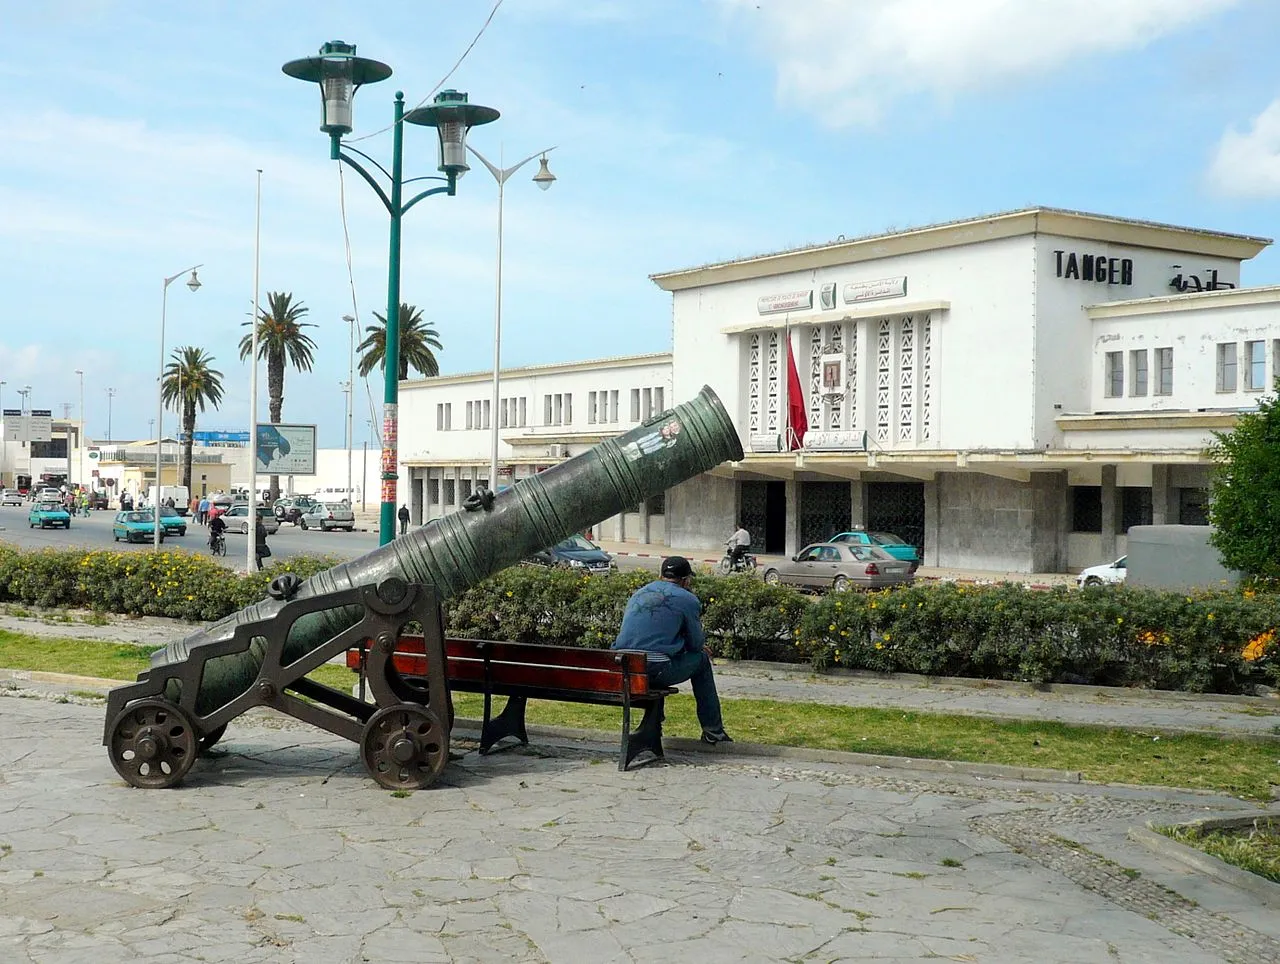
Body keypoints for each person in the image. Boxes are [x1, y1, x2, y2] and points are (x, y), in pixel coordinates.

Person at [611, 556, 732, 746]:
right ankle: (713, 730)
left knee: (653, 661)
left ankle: (655, 725)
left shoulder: (639, 593)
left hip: (625, 667)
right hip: (655, 668)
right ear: (686, 580)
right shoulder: (687, 599)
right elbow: (695, 644)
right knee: (700, 661)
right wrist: (695, 646)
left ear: (661, 575)